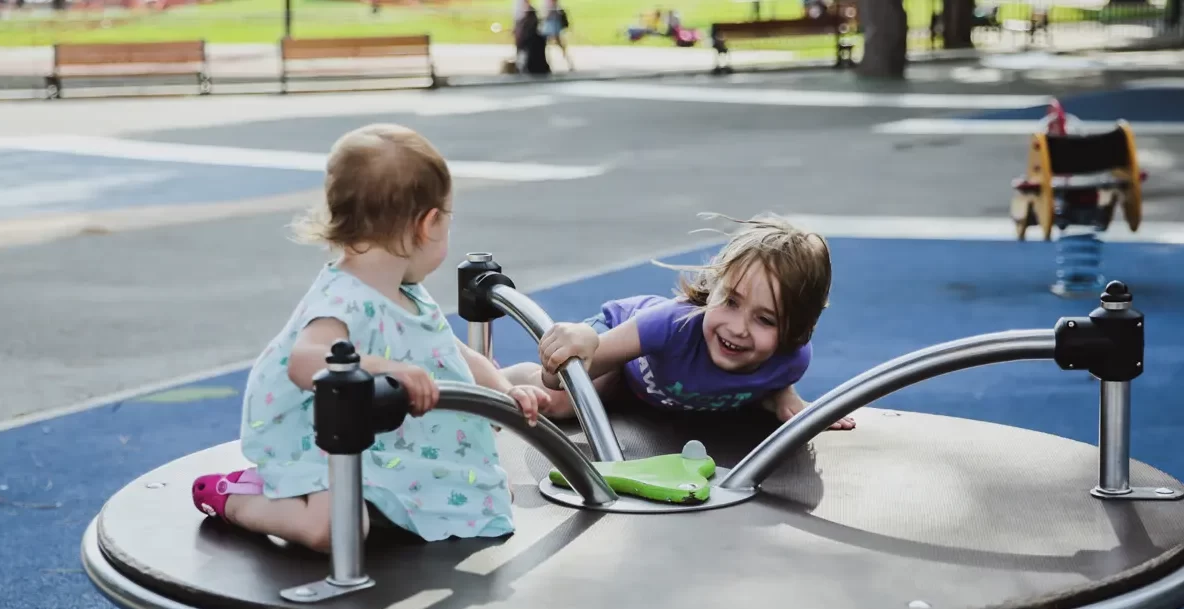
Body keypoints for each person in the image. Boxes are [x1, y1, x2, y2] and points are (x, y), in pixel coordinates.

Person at [191, 124, 551, 552]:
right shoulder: (342, 298)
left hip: (384, 440)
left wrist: (507, 394)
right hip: (324, 442)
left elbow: (448, 349)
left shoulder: (408, 293)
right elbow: (305, 361)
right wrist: (384, 366)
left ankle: (395, 499)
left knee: (487, 498)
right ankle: (238, 499)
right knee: (335, 529)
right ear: (428, 224)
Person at [502, 214, 856, 431]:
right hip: (624, 350)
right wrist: (577, 347)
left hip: (653, 387)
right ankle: (499, 378)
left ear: (795, 331)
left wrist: (782, 398)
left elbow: (772, 380)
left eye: (765, 319)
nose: (738, 327)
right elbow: (562, 377)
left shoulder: (791, 361)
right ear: (714, 288)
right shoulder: (672, 325)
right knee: (563, 404)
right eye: (730, 301)